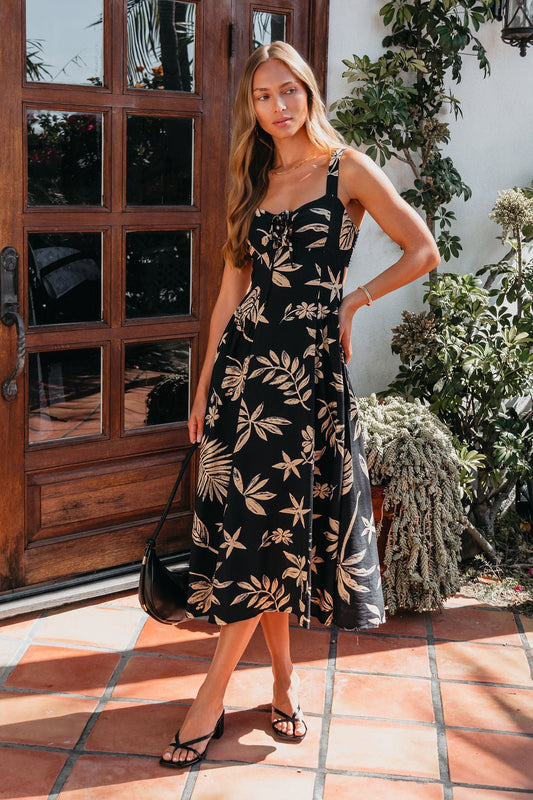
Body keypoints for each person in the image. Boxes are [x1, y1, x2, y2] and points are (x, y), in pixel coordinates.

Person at [160, 41, 440, 767]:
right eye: (262, 97)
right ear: (250, 108)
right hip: (242, 380)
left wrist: (353, 302)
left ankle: (211, 695)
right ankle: (282, 684)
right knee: (263, 536)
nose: (277, 107)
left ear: (309, 91)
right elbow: (229, 293)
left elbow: (422, 248)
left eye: (288, 91)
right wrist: (202, 387)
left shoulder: (347, 169)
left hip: (308, 382)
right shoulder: (254, 174)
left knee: (270, 532)